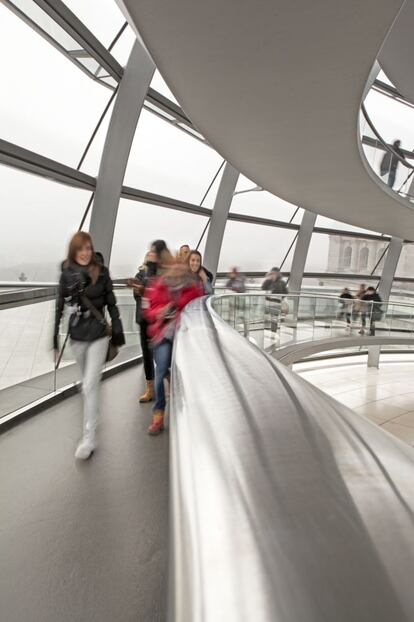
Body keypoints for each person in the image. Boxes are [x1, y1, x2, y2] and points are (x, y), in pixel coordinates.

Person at [54, 232, 125, 459]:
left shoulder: (101, 273)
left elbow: (112, 303)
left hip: (97, 335)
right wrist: (54, 339)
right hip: (76, 336)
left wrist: (118, 329)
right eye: (80, 249)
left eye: (88, 248)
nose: (85, 253)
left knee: (90, 385)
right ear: (74, 251)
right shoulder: (67, 275)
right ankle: (93, 416)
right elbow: (59, 306)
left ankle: (89, 437)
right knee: (88, 383)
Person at [145, 261, 204, 435]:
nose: (177, 271)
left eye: (180, 268)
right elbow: (150, 310)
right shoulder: (160, 286)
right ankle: (159, 414)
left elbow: (199, 310)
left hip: (184, 335)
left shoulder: (193, 289)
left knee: (184, 375)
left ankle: (185, 410)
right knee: (160, 371)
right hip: (163, 335)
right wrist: (160, 312)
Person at [128, 240, 173, 403]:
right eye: (149, 255)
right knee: (147, 355)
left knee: (160, 356)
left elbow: (156, 294)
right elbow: (137, 295)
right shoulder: (141, 275)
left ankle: (169, 382)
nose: (150, 256)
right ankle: (150, 389)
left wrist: (143, 290)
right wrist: (140, 290)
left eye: (153, 254)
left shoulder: (161, 276)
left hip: (158, 321)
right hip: (144, 320)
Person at [261, 267, 288, 336]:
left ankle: (273, 333)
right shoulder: (269, 281)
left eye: (274, 273)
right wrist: (268, 279)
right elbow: (263, 288)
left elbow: (285, 292)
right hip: (268, 303)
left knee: (274, 319)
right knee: (266, 317)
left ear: (277, 274)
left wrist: (279, 298)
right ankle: (266, 332)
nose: (272, 275)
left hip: (276, 303)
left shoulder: (281, 282)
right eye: (271, 273)